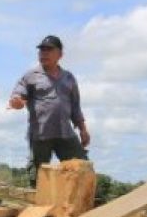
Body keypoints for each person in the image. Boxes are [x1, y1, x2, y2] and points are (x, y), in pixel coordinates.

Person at [8, 35, 90, 184]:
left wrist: (83, 130)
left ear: (60, 54)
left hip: (65, 133)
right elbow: (17, 96)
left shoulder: (68, 77)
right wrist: (17, 102)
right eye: (41, 50)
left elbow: (76, 106)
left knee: (81, 169)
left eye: (49, 50)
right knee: (39, 176)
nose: (44, 53)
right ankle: (36, 204)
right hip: (41, 135)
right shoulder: (30, 76)